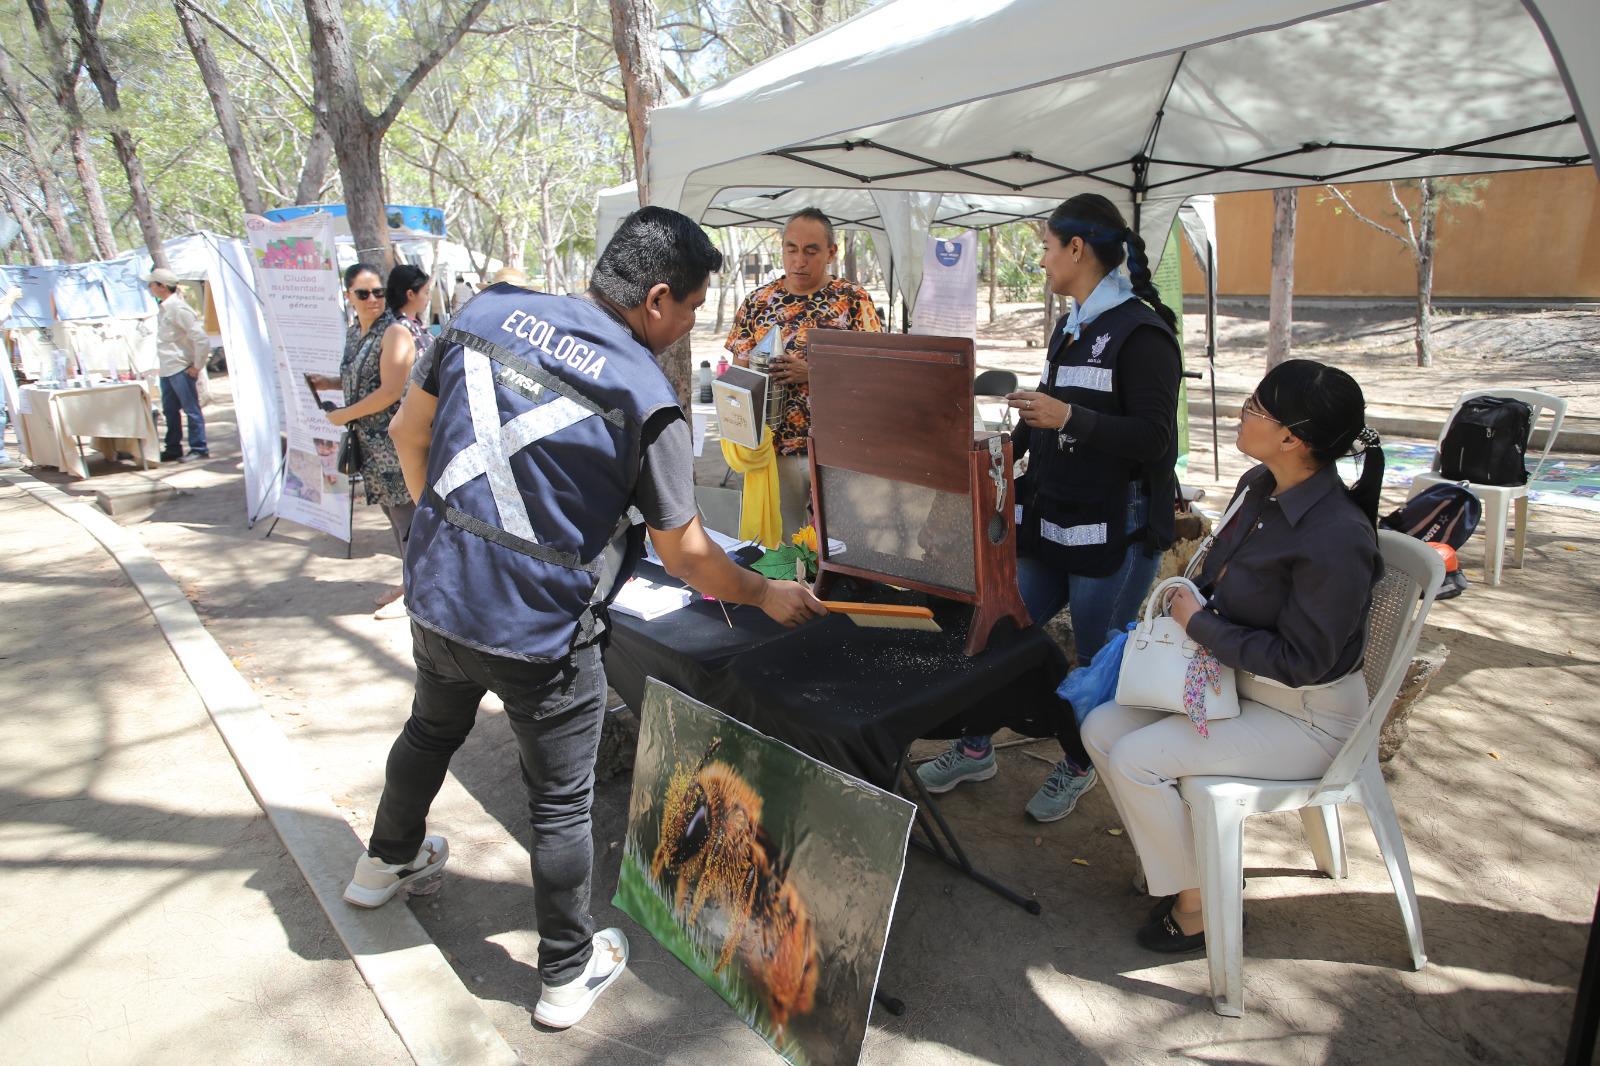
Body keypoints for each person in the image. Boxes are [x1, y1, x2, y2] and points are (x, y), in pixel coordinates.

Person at [344, 206, 825, 1030]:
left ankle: (380, 865)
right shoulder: (646, 395)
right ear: (659, 299)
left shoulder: (487, 312)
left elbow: (406, 431)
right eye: (692, 309)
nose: (689, 327)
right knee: (560, 803)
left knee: (429, 729)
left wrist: (449, 540)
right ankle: (567, 970)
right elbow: (687, 554)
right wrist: (761, 592)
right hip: (541, 633)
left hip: (441, 594)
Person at [1083, 359, 1385, 953]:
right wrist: (1193, 601)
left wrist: (1200, 625)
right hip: (1236, 684)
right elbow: (1218, 577)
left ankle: (1200, 904)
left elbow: (1305, 662)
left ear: (1291, 439)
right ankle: (1188, 867)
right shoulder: (1259, 486)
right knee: (1100, 726)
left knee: (1137, 758)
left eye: (1255, 408)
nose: (1241, 414)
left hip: (1308, 716)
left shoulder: (1336, 535)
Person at [918, 193, 1182, 824]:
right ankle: (976, 746)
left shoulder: (1144, 334)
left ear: (1076, 249)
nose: (1040, 260)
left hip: (1113, 531)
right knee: (1000, 632)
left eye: (1045, 247)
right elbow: (1050, 414)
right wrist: (1002, 449)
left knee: (1094, 659)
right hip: (1052, 519)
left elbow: (1156, 440)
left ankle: (1079, 762)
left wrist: (1070, 417)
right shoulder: (1071, 326)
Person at [724, 208, 880, 534]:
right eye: (791, 249)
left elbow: (876, 373)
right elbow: (739, 377)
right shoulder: (758, 302)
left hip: (839, 449)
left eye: (811, 251)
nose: (799, 261)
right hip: (775, 452)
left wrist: (814, 373)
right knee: (782, 547)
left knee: (843, 542)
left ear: (831, 253)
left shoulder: (853, 300)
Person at [312, 264, 417, 565]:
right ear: (349, 296)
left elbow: (390, 391)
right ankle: (410, 584)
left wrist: (345, 415)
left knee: (408, 522)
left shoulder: (394, 333)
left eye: (378, 292)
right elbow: (364, 378)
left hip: (393, 445)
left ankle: (419, 587)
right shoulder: (355, 332)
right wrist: (330, 382)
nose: (373, 299)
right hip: (371, 446)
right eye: (363, 293)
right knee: (394, 518)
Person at [144, 267, 211, 462]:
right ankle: (173, 447)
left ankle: (199, 447)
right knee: (170, 410)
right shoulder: (164, 308)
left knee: (191, 409)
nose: (149, 287)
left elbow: (201, 339)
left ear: (162, 286)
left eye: (152, 284)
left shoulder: (178, 309)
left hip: (180, 367)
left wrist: (197, 366)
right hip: (168, 368)